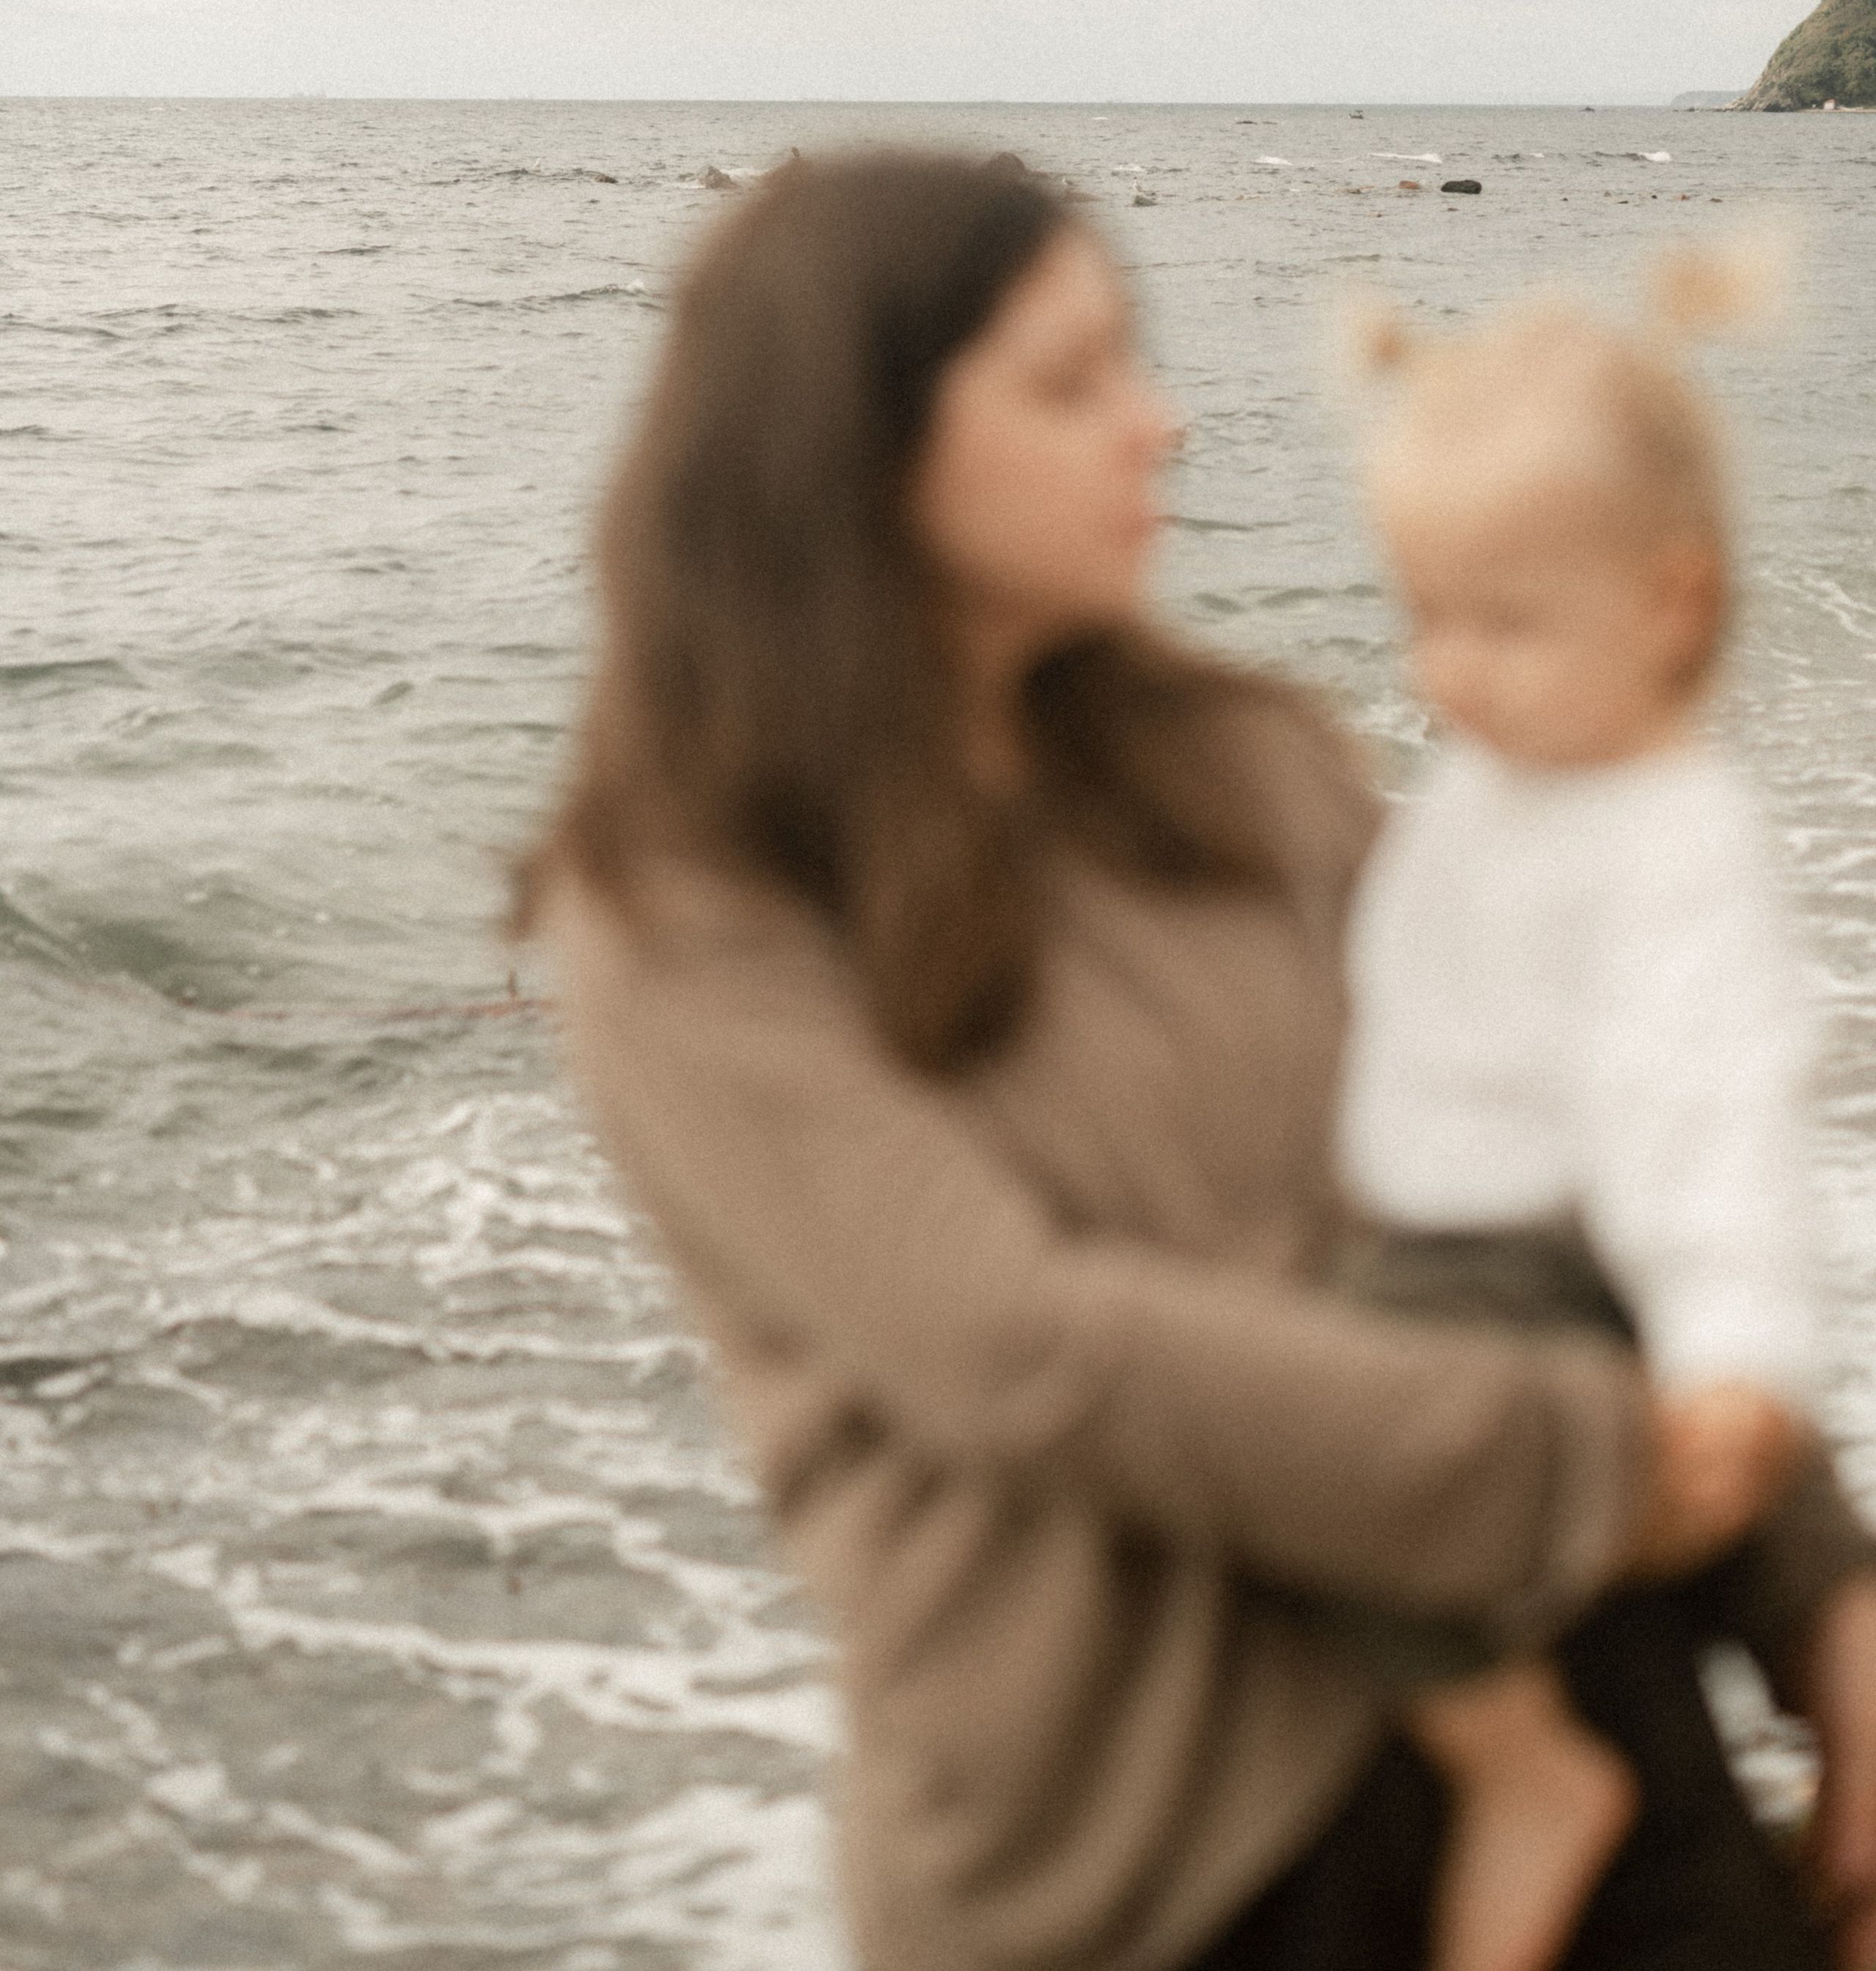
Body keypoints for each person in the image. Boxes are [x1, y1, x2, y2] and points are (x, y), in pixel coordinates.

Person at [524, 152, 1876, 1971]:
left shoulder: (1248, 765)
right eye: (1070, 383)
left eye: (1133, 365)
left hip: (1558, 1697)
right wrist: (1583, 1463)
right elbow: (1021, 1348)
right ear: (852, 445)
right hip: (1158, 1842)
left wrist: (1816, 1594)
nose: (1155, 425)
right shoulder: (683, 926)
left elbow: (1566, 1158)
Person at [1323, 262, 1826, 1971]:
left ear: (1669, 606)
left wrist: (1727, 1357)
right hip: (1454, 1242)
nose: (1446, 670)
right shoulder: (1505, 780)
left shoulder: (1668, 840)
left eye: (1503, 623)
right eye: (1422, 616)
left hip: (1529, 1273)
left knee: (1327, 1424)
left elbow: (1710, 1112)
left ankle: (1518, 1763)